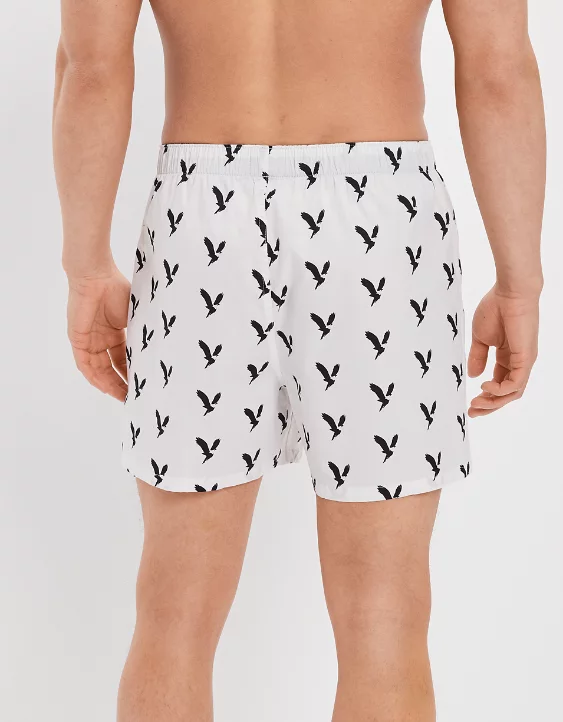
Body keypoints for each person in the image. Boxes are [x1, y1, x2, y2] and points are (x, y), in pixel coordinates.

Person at [52, 0, 544, 718]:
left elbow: (91, 69)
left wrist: (85, 266)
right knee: (384, 615)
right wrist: (520, 281)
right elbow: (498, 70)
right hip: (384, 216)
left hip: (203, 218)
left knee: (174, 608)